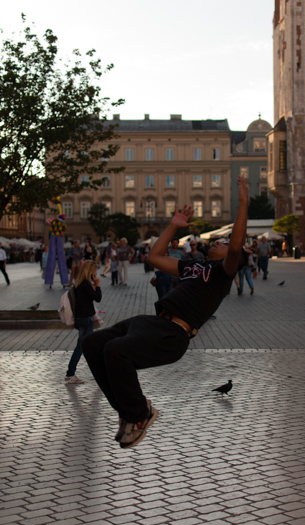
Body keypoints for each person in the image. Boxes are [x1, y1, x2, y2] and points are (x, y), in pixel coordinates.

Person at [81, 176, 250, 450]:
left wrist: (243, 203)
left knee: (116, 351)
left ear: (234, 257)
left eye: (226, 242)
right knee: (92, 343)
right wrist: (172, 226)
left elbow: (235, 247)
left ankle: (138, 415)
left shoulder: (222, 274)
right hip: (152, 323)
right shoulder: (195, 266)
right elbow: (154, 258)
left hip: (173, 335)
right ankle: (131, 412)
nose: (220, 241)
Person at [65, 260, 102, 384]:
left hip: (82, 318)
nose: (96, 273)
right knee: (81, 347)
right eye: (94, 271)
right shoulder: (86, 284)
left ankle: (99, 372)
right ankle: (70, 374)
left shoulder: (78, 283)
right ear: (90, 271)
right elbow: (98, 298)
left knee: (89, 346)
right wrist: (97, 284)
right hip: (86, 319)